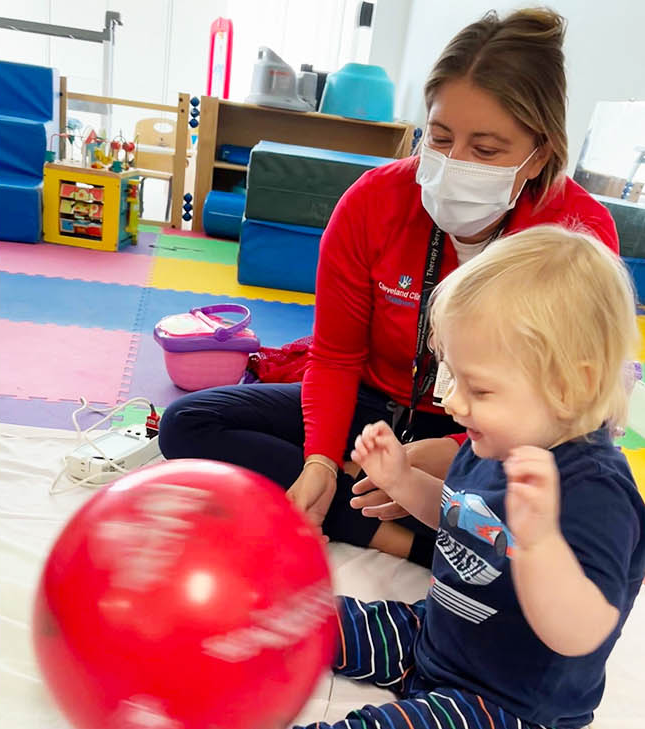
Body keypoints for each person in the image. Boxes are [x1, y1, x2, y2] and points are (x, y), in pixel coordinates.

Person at [158, 8, 620, 567]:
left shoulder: (577, 233)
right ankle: (411, 536)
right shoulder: (373, 203)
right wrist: (322, 463)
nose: (454, 164)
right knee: (190, 423)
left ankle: (405, 518)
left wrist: (448, 455)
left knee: (581, 505)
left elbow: (563, 403)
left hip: (489, 428)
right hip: (374, 409)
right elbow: (334, 357)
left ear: (539, 153)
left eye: (487, 150)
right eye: (441, 138)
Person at [294, 225, 645, 729]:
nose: (452, 403)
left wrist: (541, 545)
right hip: (437, 637)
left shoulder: (596, 493)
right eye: (452, 377)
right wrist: (401, 480)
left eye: (478, 390)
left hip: (506, 704)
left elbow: (583, 631)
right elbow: (459, 513)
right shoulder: (495, 441)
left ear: (572, 385)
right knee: (300, 614)